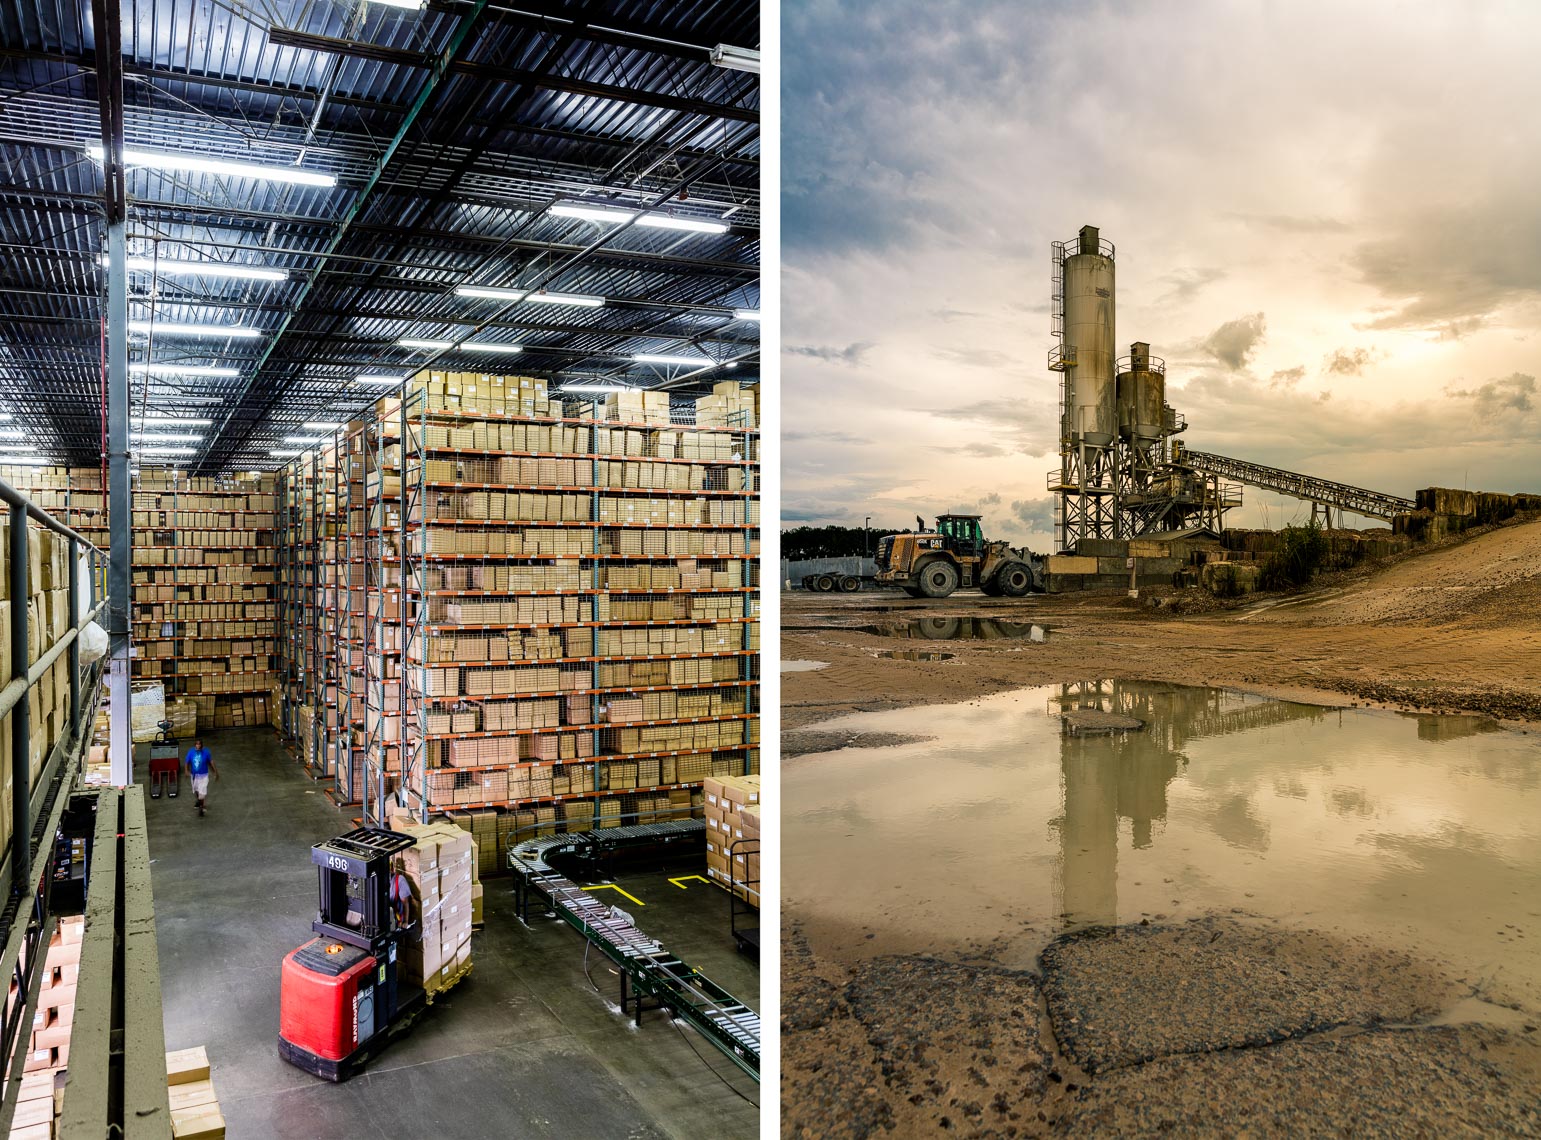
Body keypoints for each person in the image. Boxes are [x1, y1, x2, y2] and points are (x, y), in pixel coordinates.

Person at [184, 738, 217, 817]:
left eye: (199, 744)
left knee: (202, 792)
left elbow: (210, 762)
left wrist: (215, 771)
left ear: (202, 745)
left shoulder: (206, 752)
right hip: (194, 775)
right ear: (195, 745)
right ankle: (199, 801)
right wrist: (186, 770)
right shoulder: (191, 752)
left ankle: (201, 807)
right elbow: (187, 762)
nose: (198, 746)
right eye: (197, 744)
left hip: (203, 776)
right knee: (196, 790)